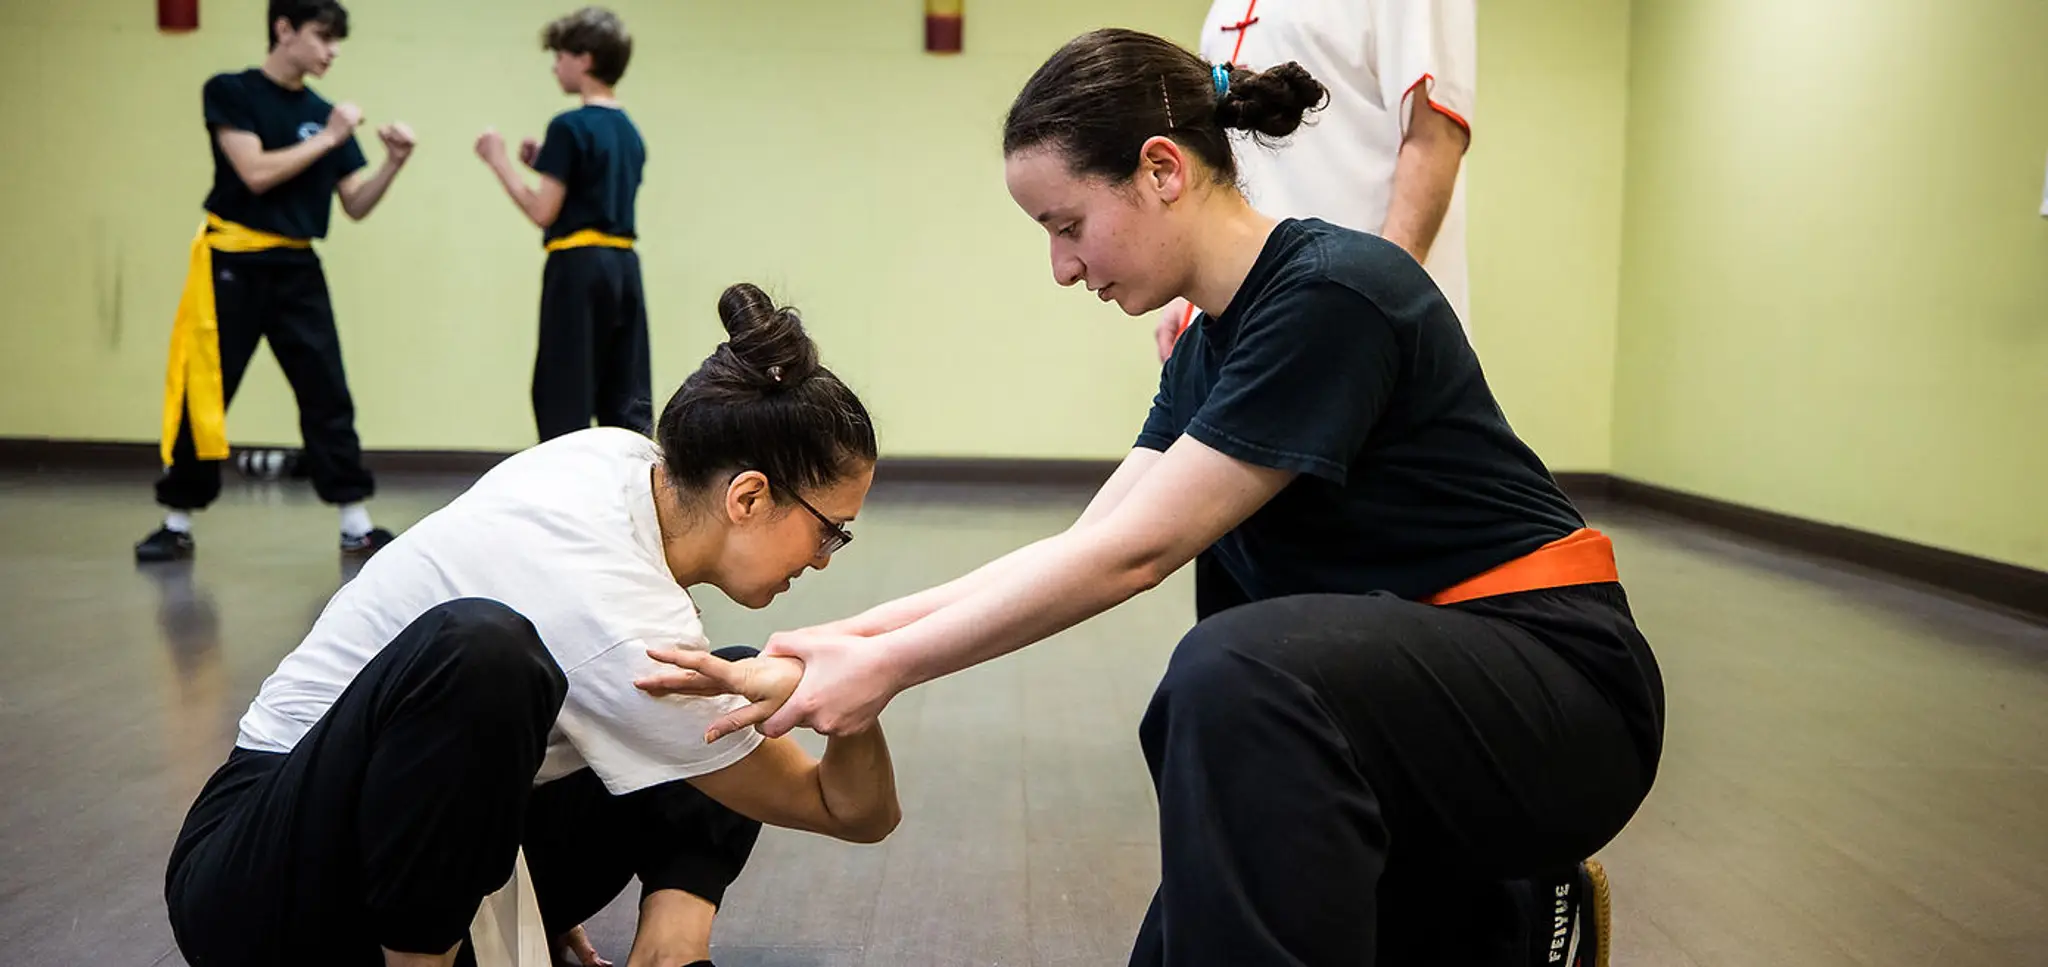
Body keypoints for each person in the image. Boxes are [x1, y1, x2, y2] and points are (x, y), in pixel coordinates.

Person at [644, 30, 1662, 967]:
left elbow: (1133, 560)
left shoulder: (1333, 294)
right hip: (1401, 715)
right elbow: (1089, 542)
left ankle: (1484, 896)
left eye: (1067, 224)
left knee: (1234, 676)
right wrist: (837, 643)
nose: (1060, 265)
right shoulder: (1209, 343)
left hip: (1558, 694)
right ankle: (1507, 921)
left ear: (1161, 170)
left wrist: (889, 669)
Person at [163, 283, 901, 967]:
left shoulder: (616, 456)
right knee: (487, 653)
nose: (826, 557)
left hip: (418, 848)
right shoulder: (619, 617)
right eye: (830, 530)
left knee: (720, 687)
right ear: (747, 497)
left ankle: (669, 952)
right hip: (258, 876)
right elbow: (852, 811)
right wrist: (847, 685)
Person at [136, 0, 414, 564]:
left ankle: (354, 522)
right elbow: (255, 173)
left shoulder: (322, 111)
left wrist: (392, 163)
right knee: (207, 390)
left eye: (337, 41)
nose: (332, 50)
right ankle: (176, 519)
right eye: (322, 36)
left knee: (326, 388)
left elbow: (355, 204)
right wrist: (331, 137)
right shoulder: (232, 91)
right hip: (233, 261)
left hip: (297, 267)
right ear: (283, 29)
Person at [1153, 0, 1476, 361]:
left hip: (1352, 321)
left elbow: (1434, 135)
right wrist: (1190, 302)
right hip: (1241, 323)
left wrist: (1377, 306)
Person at [477, 6, 652, 443]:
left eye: (560, 56)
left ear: (585, 59)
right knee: (623, 389)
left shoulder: (569, 125)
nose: (556, 65)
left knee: (564, 387)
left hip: (577, 267)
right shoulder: (630, 131)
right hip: (623, 267)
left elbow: (543, 211)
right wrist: (545, 165)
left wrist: (499, 162)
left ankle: (563, 493)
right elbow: (595, 188)